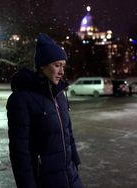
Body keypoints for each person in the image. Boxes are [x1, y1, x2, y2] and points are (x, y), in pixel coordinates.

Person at [6, 33, 82, 188]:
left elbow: (68, 132)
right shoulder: (21, 99)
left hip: (70, 177)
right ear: (42, 66)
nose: (62, 72)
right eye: (57, 65)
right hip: (44, 181)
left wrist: (75, 161)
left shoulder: (59, 94)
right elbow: (20, 151)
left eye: (63, 66)